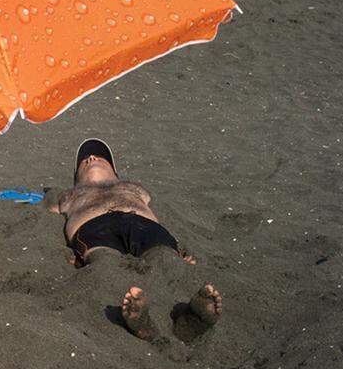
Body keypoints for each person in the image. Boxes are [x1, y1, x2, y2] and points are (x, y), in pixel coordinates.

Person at [45, 139, 222, 343]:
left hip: (139, 221)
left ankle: (187, 323)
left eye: (100, 157)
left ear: (114, 171)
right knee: (104, 264)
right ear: (76, 177)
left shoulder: (133, 187)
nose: (91, 158)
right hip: (93, 226)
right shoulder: (68, 195)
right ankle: (142, 324)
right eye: (84, 161)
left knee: (165, 258)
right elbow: (47, 202)